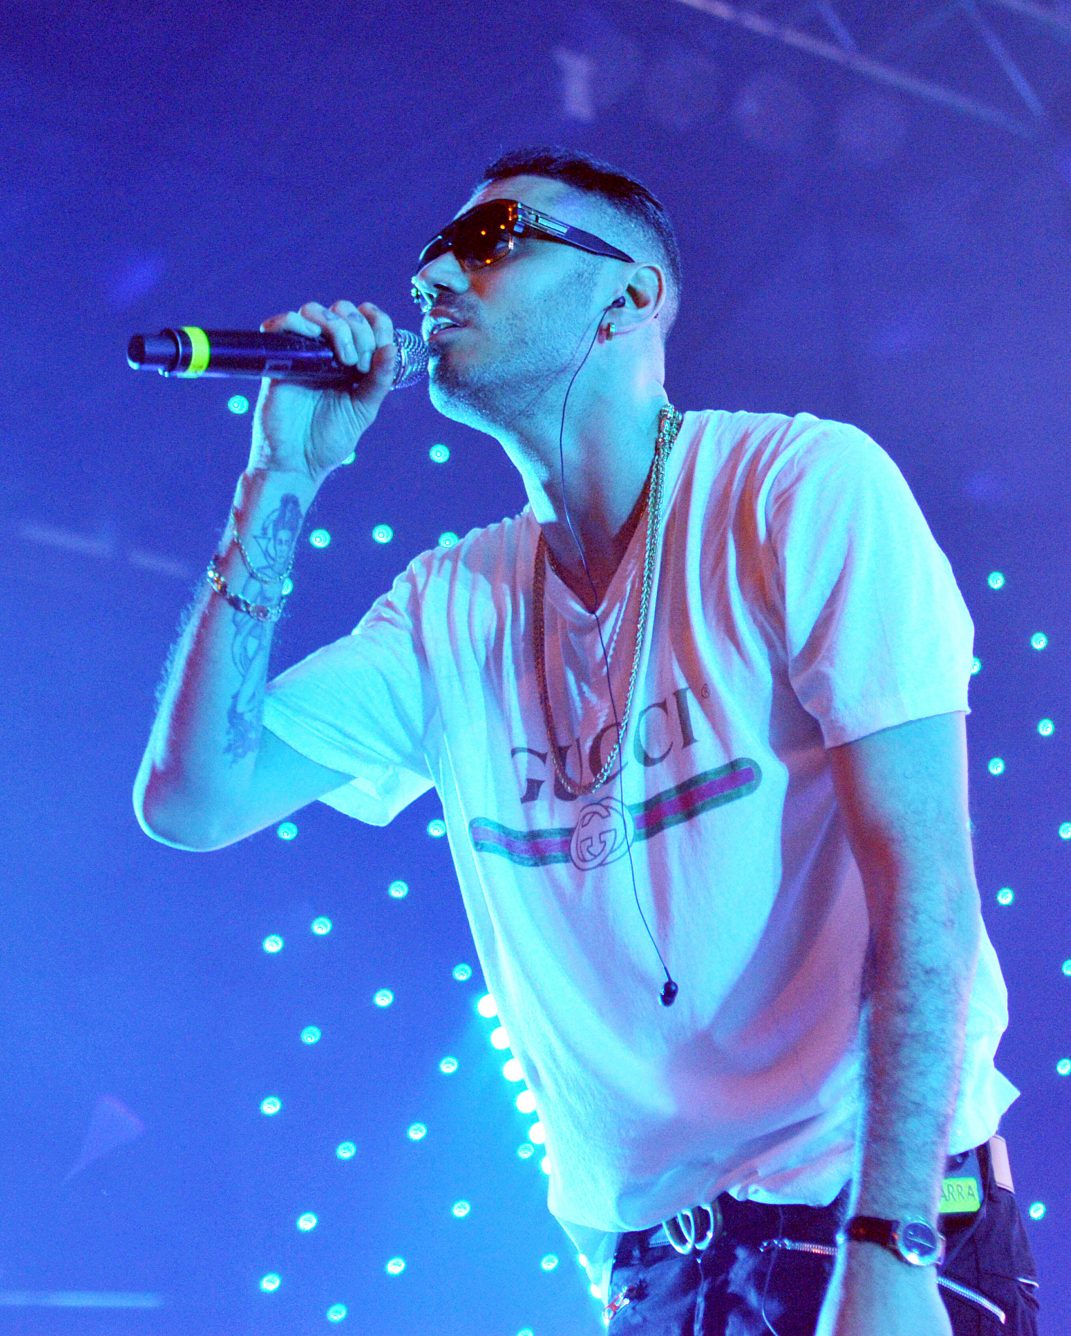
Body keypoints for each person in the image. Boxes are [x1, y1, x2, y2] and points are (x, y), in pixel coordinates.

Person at [134, 147, 1039, 1334]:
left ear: (631, 296)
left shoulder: (797, 485)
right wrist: (280, 477)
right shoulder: (447, 607)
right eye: (431, 254)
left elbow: (926, 886)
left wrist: (893, 1240)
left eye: (491, 240)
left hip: (869, 1216)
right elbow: (195, 800)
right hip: (660, 1271)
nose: (435, 275)